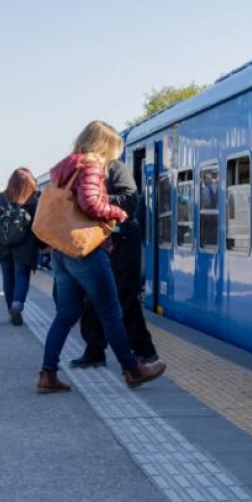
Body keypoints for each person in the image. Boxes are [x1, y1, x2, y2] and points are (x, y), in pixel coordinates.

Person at [37, 120, 167, 393]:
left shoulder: (66, 166)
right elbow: (90, 203)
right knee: (111, 311)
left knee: (67, 313)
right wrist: (118, 214)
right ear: (104, 145)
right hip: (85, 249)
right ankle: (132, 369)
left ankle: (47, 374)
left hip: (62, 249)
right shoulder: (92, 164)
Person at [70, 158, 159, 368]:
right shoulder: (82, 169)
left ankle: (144, 350)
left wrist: (94, 199)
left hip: (122, 239)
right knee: (92, 297)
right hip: (97, 238)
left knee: (124, 296)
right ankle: (94, 351)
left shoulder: (114, 168)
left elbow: (130, 199)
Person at [0, 167, 40, 325]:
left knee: (7, 277)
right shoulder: (33, 201)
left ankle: (10, 310)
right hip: (25, 247)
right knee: (22, 275)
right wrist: (43, 245)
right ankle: (17, 305)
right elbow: (40, 226)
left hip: (2, 245)